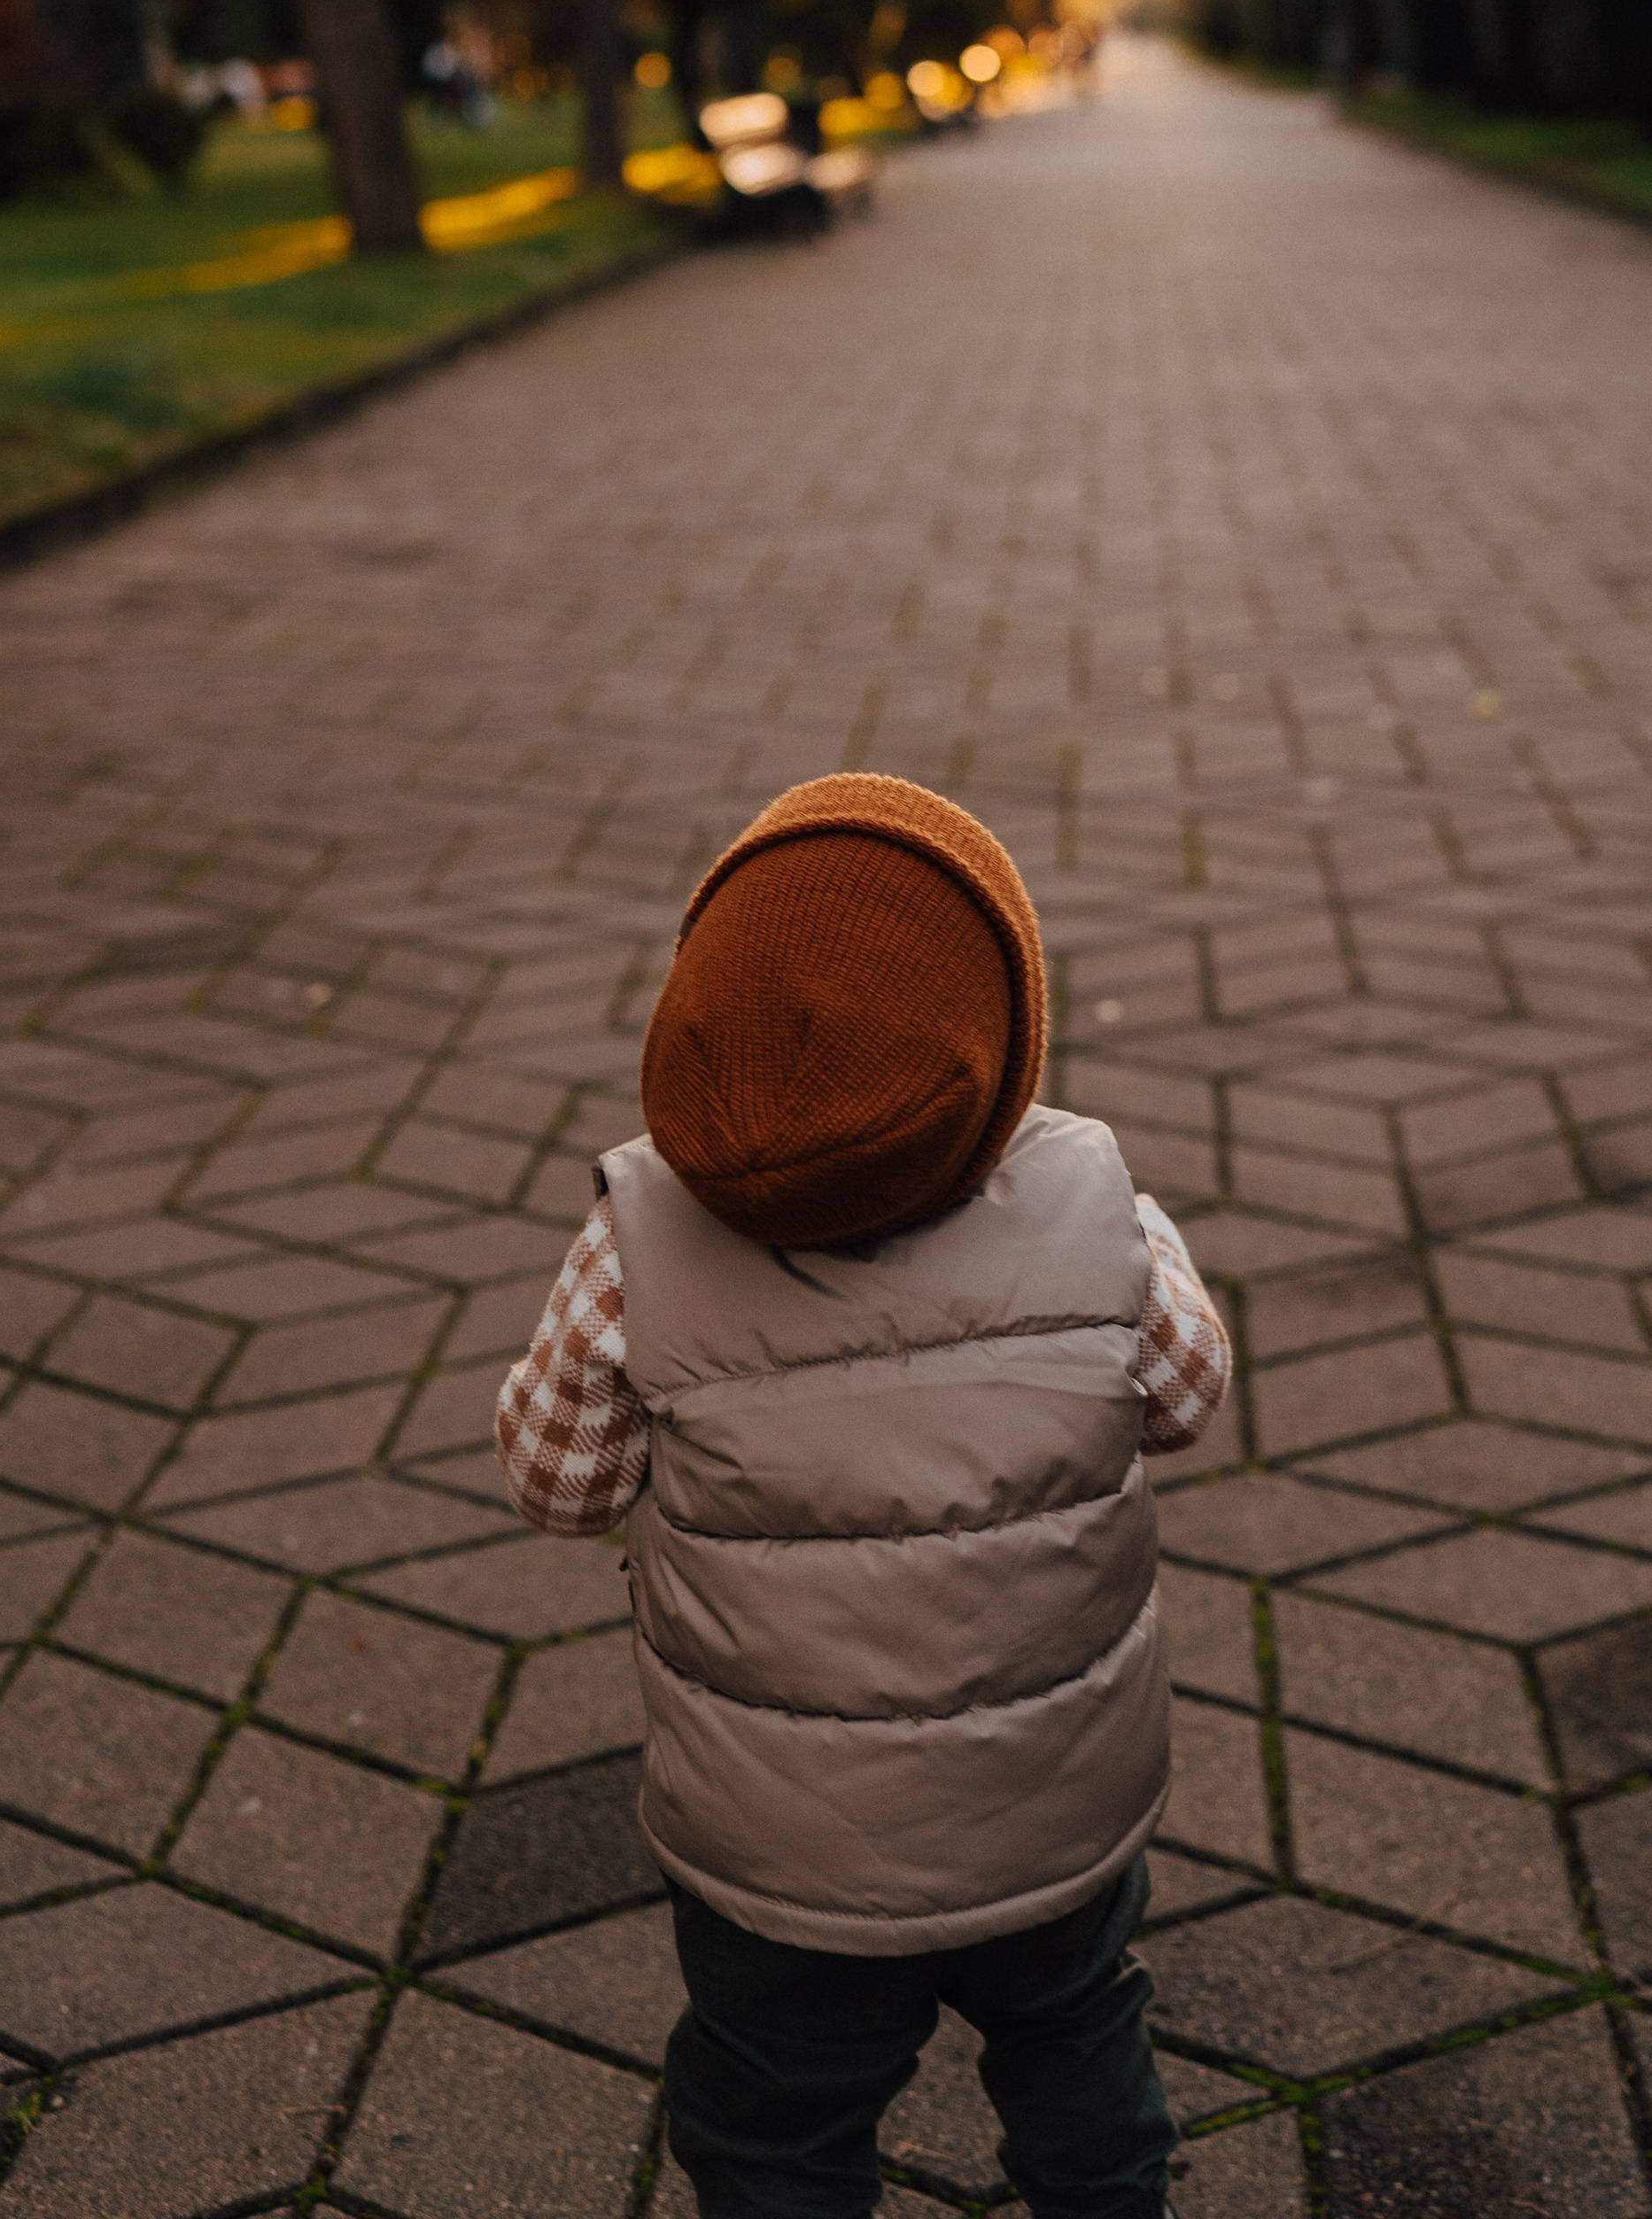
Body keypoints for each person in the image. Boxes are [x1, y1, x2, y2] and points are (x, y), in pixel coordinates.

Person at [497, 772, 1230, 2219]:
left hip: (784, 1857)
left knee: (774, 2124)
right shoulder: (1102, 1212)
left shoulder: (631, 1249)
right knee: (1080, 2051)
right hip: (1051, 1811)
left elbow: (557, 1484)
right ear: (999, 1039)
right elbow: (1187, 1401)